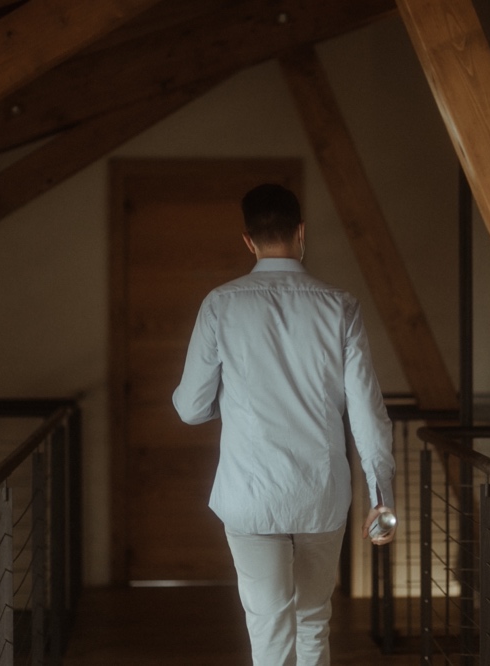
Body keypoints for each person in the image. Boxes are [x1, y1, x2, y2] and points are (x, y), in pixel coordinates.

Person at [172, 183, 396, 665]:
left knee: (268, 625)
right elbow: (367, 411)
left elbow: (190, 408)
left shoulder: (221, 304)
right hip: (320, 492)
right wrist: (382, 498)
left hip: (251, 493)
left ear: (248, 241)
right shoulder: (340, 306)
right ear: (301, 232)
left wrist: (230, 401)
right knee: (314, 619)